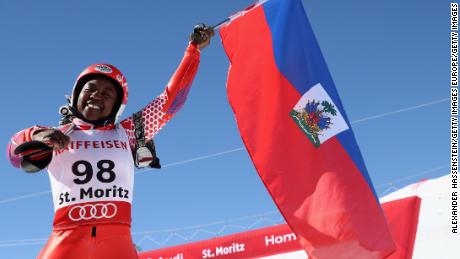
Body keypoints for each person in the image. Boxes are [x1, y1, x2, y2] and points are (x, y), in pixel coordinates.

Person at [6, 25, 214, 259]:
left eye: (107, 94)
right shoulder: (56, 133)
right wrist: (37, 136)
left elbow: (171, 101)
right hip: (67, 236)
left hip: (117, 239)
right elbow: (14, 153)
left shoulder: (129, 132)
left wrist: (193, 50)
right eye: (90, 89)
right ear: (75, 96)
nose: (97, 95)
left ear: (116, 106)